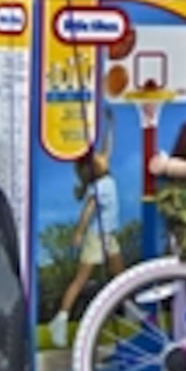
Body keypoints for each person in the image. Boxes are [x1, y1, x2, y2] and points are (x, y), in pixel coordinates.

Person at [49, 108, 124, 348]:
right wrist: (79, 233)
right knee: (81, 279)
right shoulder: (98, 187)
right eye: (99, 159)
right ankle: (60, 319)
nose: (104, 157)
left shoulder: (106, 177)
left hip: (109, 236)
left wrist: (110, 126)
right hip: (96, 237)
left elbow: (107, 147)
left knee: (121, 276)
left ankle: (132, 310)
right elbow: (87, 212)